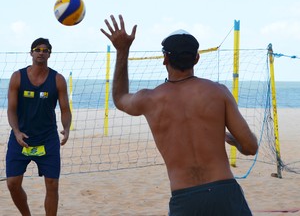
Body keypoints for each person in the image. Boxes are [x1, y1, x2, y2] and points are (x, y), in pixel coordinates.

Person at [101, 15, 258, 215]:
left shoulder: (150, 99)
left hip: (185, 198)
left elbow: (120, 97)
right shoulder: (218, 92)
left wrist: (122, 50)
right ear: (197, 58)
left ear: (165, 58)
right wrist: (233, 141)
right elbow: (251, 147)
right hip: (224, 192)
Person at [6, 38, 72, 216]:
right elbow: (11, 110)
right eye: (37, 49)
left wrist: (66, 128)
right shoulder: (17, 77)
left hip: (47, 139)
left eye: (45, 50)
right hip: (22, 138)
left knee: (52, 184)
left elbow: (65, 109)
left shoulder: (57, 79)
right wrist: (17, 132)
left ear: (50, 54)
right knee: (12, 183)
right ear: (31, 53)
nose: (41, 52)